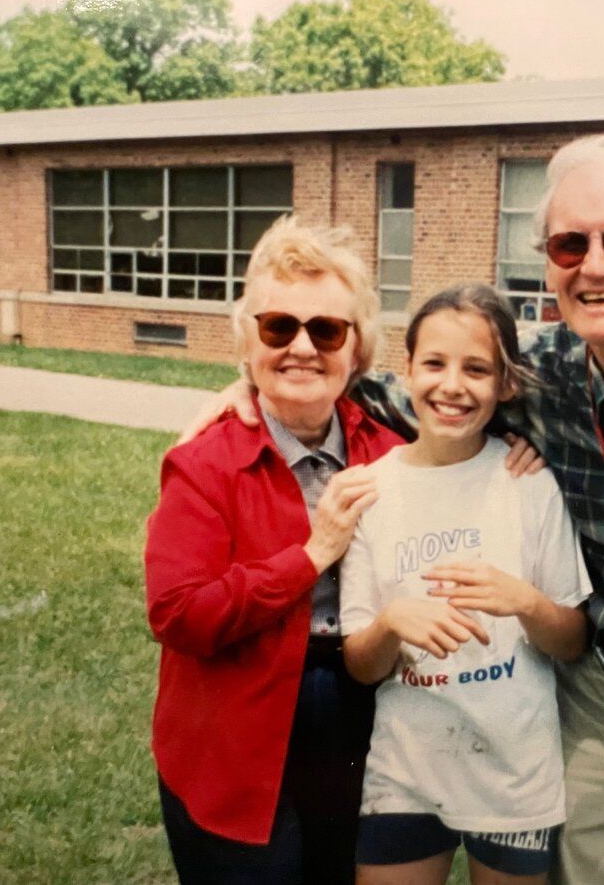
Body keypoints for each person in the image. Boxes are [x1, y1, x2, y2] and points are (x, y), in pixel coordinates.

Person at [184, 133, 604, 884]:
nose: (596, 266)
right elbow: (402, 390)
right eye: (569, 244)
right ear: (549, 263)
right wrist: (253, 387)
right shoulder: (541, 376)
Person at [144, 216, 405, 884]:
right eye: (278, 327)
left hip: (361, 719)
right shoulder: (204, 463)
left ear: (357, 348)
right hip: (231, 732)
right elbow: (179, 614)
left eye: (327, 330)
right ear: (248, 341)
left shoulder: (393, 454)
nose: (302, 348)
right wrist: (309, 557)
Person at [340, 285, 592, 885]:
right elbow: (361, 666)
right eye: (434, 363)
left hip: (514, 772)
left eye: (476, 369)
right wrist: (390, 622)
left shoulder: (528, 483)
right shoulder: (372, 491)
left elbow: (573, 641)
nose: (452, 386)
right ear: (407, 370)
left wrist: (526, 602)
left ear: (505, 385)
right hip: (406, 771)